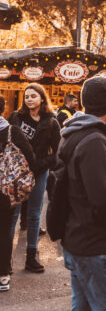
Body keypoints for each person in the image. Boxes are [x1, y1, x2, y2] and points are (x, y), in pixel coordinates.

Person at [57, 76, 106, 310]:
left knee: (82, 306)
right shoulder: (95, 141)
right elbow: (103, 199)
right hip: (99, 245)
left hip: (80, 240)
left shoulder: (75, 134)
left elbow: (84, 185)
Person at [9, 83, 61, 273]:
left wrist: (41, 165)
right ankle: (6, 260)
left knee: (34, 215)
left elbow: (58, 151)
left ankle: (31, 256)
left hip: (39, 172)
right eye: (27, 96)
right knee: (12, 214)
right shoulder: (16, 117)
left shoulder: (51, 122)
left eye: (33, 96)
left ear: (41, 98)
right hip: (16, 172)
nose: (29, 99)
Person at [0, 96, 35, 292]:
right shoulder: (12, 131)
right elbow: (31, 158)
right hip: (6, 191)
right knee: (4, 232)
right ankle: (3, 275)